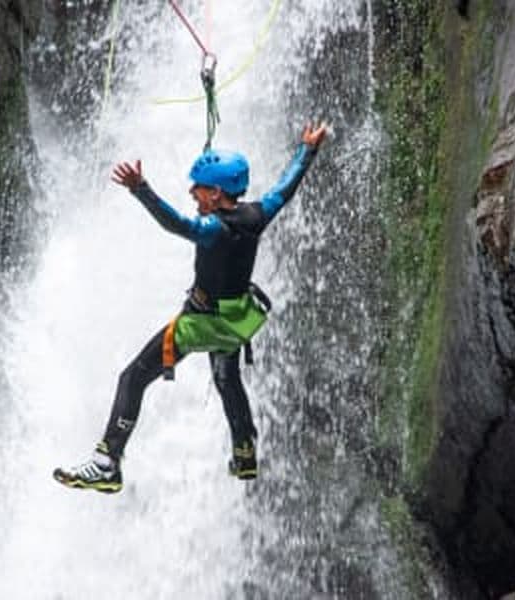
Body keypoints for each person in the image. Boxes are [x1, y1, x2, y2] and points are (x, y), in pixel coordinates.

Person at [53, 121, 328, 493]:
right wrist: (307, 150)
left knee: (132, 378)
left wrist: (141, 190)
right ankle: (245, 452)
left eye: (198, 187)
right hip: (235, 320)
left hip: (201, 322)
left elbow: (178, 224)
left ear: (216, 193)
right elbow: (285, 188)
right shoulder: (257, 215)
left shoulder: (214, 228)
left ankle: (107, 463)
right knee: (227, 379)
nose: (191, 192)